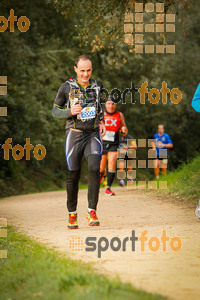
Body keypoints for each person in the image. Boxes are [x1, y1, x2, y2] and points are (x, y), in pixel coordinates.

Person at [52, 55, 106, 229]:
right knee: (73, 174)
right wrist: (69, 112)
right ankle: (72, 214)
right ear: (75, 69)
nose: (85, 74)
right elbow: (55, 111)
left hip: (93, 134)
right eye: (82, 70)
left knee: (94, 168)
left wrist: (102, 121)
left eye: (88, 70)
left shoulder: (97, 86)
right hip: (74, 135)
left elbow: (100, 107)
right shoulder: (66, 87)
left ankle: (92, 211)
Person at [100, 95, 128, 196]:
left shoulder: (119, 115)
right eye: (108, 103)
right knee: (101, 168)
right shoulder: (101, 113)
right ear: (105, 104)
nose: (111, 106)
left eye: (113, 104)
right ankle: (99, 180)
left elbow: (123, 126)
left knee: (111, 164)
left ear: (115, 105)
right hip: (102, 142)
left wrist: (123, 130)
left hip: (114, 142)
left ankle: (108, 188)